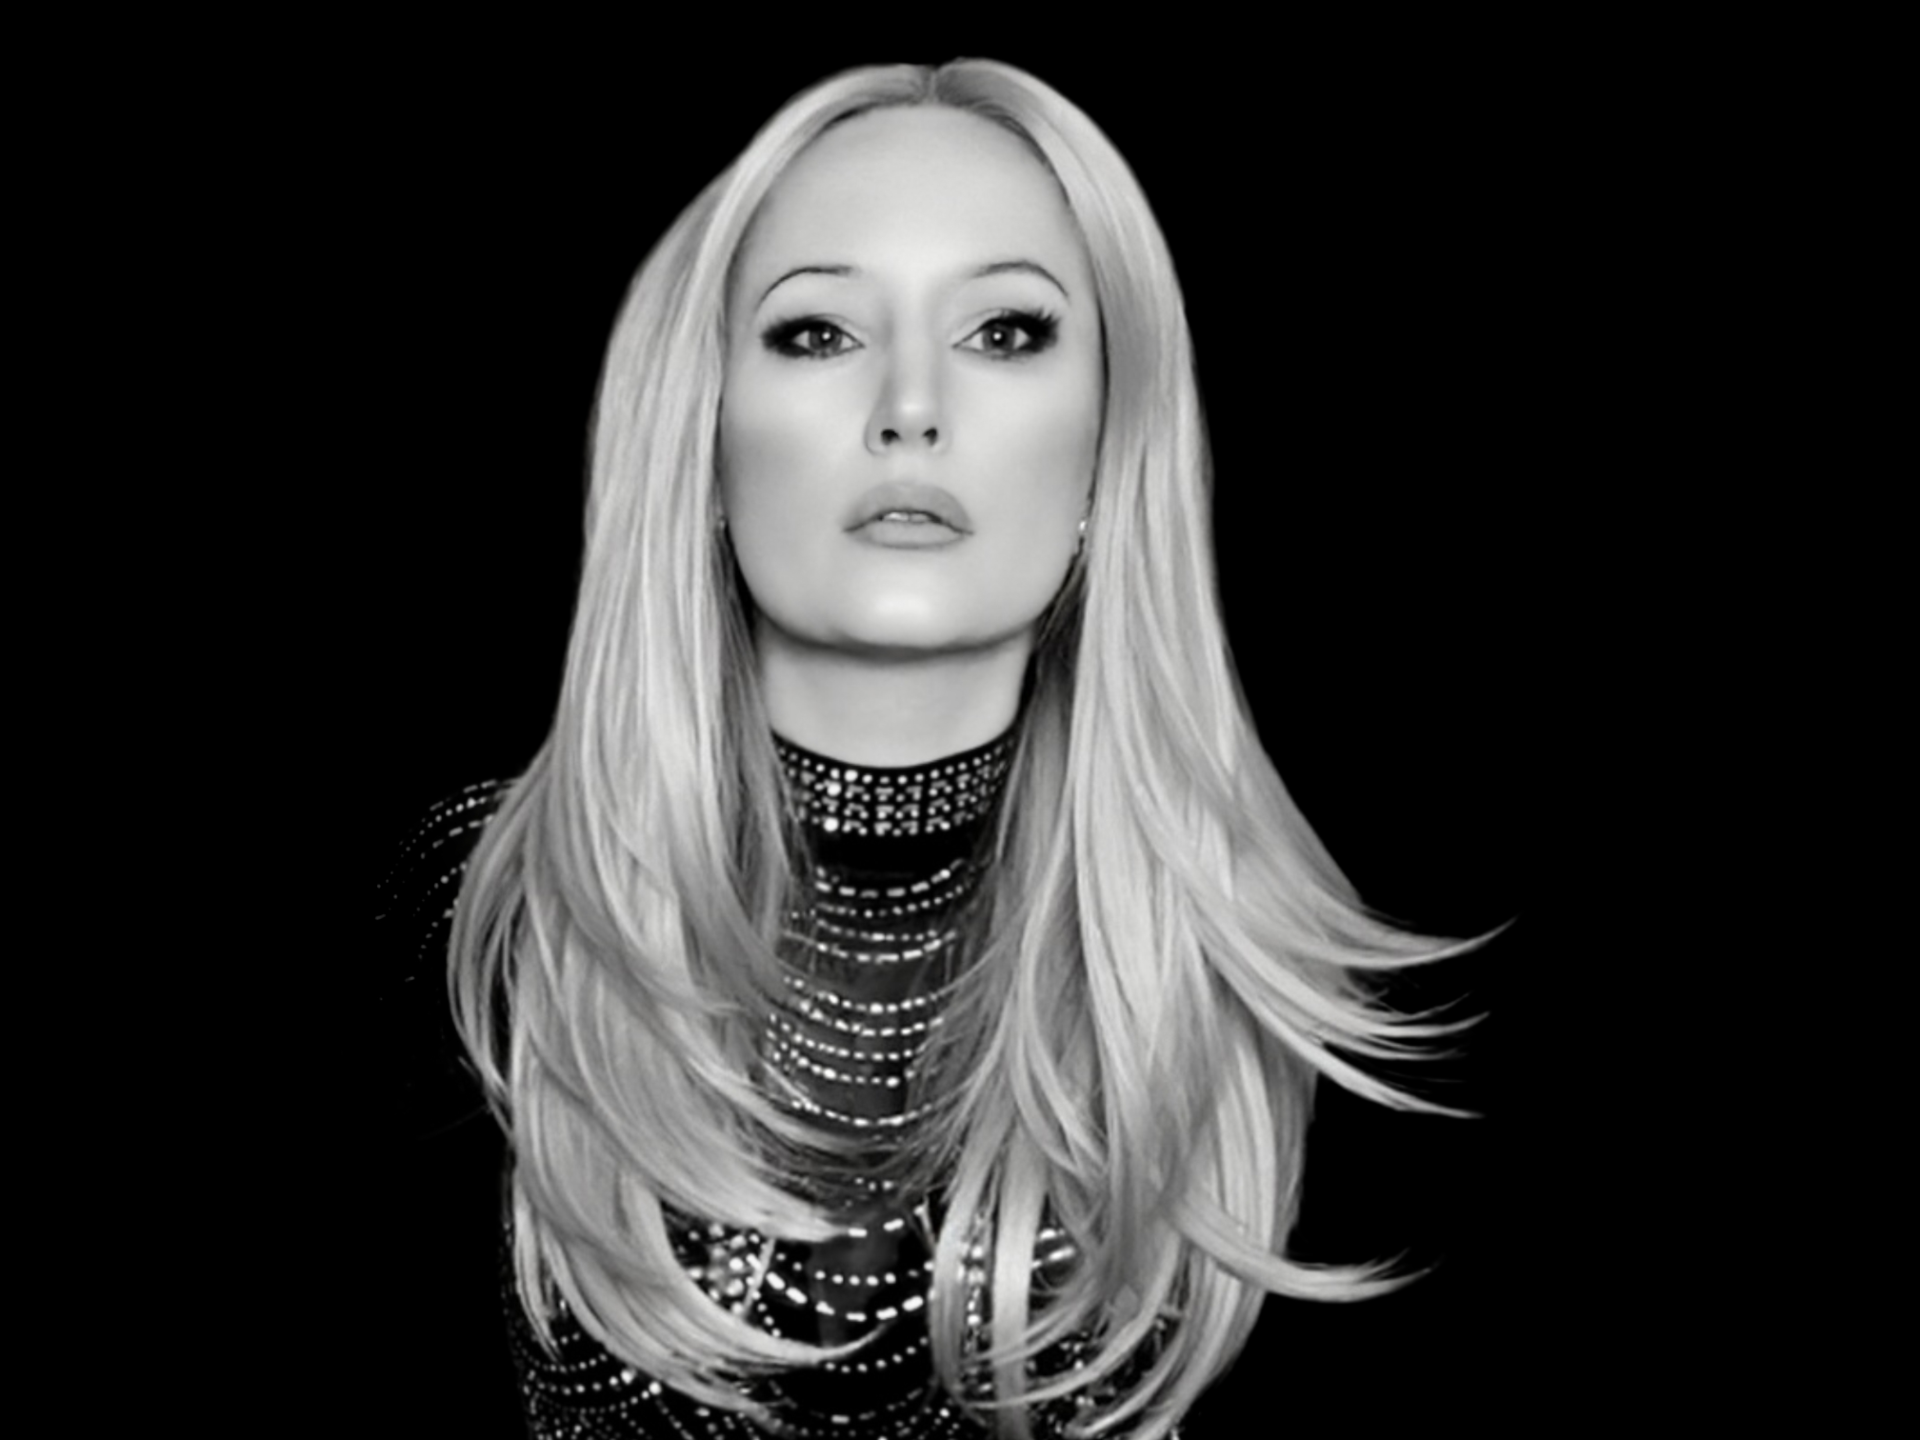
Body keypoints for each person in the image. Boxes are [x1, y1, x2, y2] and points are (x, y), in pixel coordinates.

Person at [378, 58, 1497, 1440]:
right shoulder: (483, 916)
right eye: (817, 332)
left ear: (1111, 446)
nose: (910, 406)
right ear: (701, 433)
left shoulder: (1269, 992)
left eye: (1006, 331)